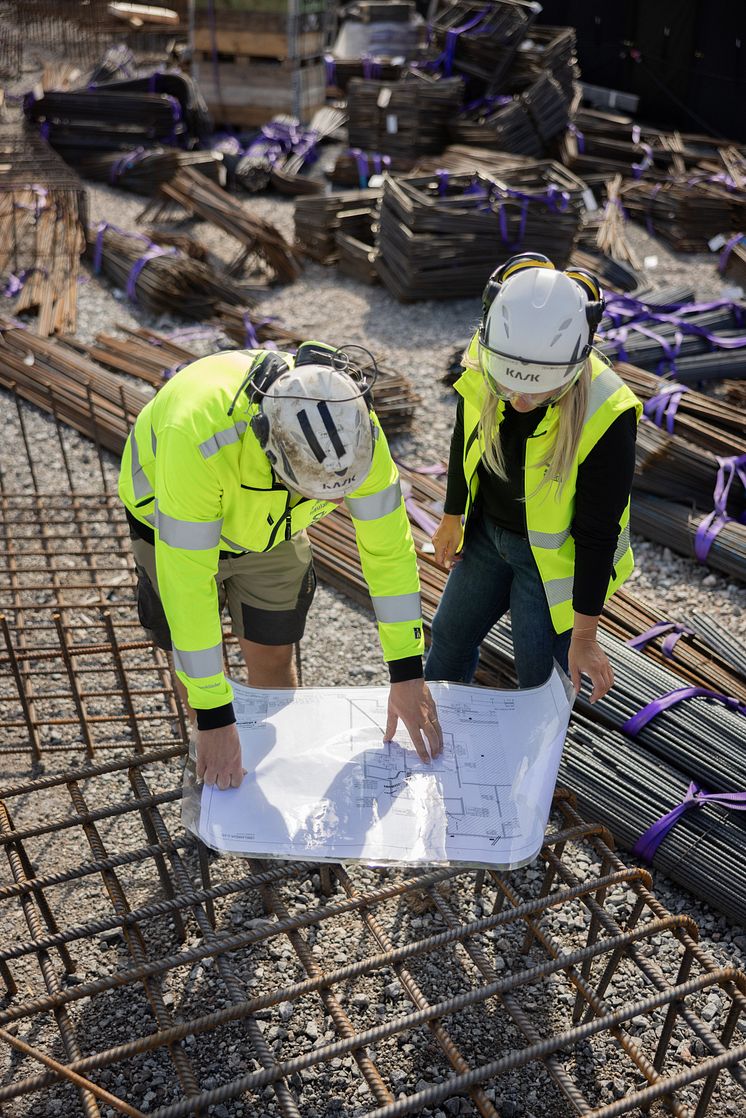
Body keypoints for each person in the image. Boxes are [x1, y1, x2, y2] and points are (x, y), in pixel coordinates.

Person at [119, 340, 443, 789]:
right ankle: (212, 754)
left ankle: (269, 778)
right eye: (318, 491)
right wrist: (214, 717)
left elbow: (388, 551)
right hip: (169, 524)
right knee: (191, 656)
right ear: (271, 448)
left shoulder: (353, 429)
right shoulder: (198, 435)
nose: (334, 503)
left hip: (271, 529)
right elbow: (188, 582)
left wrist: (407, 672)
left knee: (274, 650)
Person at [425, 253, 641, 701]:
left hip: (550, 565)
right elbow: (466, 433)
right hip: (487, 537)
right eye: (507, 385)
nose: (518, 400)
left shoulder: (608, 413)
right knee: (447, 639)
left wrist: (583, 639)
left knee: (538, 683)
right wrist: (452, 514)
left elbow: (598, 534)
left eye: (536, 389)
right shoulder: (489, 352)